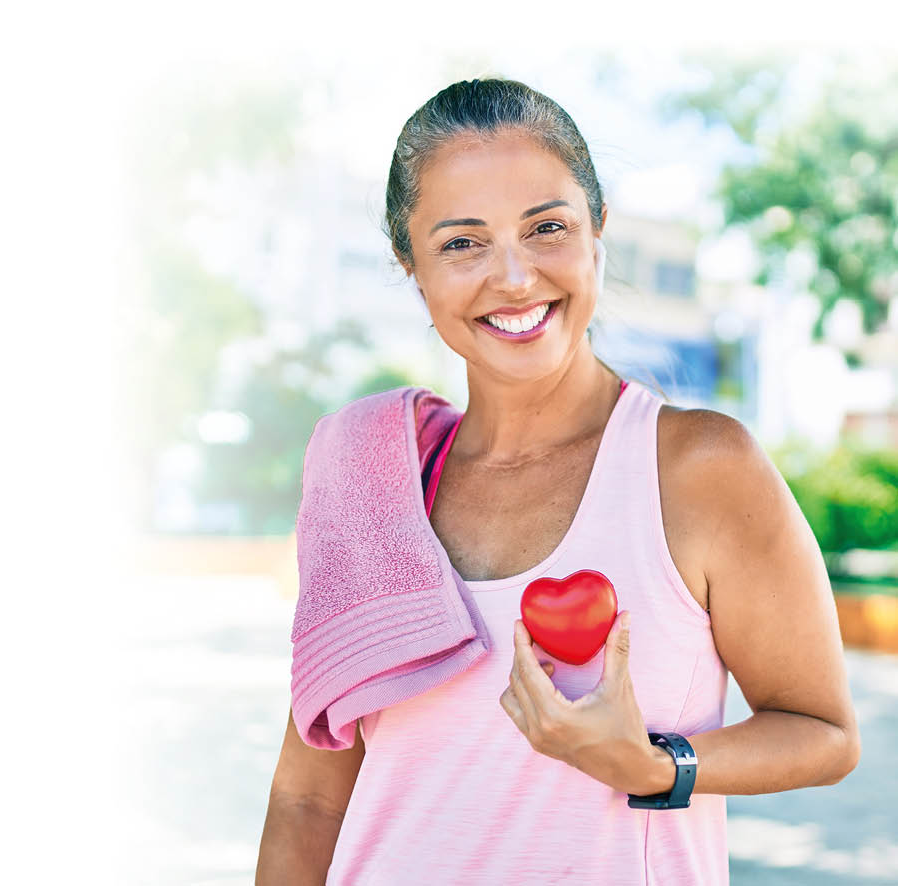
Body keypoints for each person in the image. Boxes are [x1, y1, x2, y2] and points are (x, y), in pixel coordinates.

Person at [255, 78, 860, 885]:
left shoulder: (698, 468)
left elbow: (822, 732)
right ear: (409, 263)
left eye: (546, 228)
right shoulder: (367, 485)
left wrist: (654, 764)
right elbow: (309, 800)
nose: (513, 277)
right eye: (461, 243)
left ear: (596, 230)